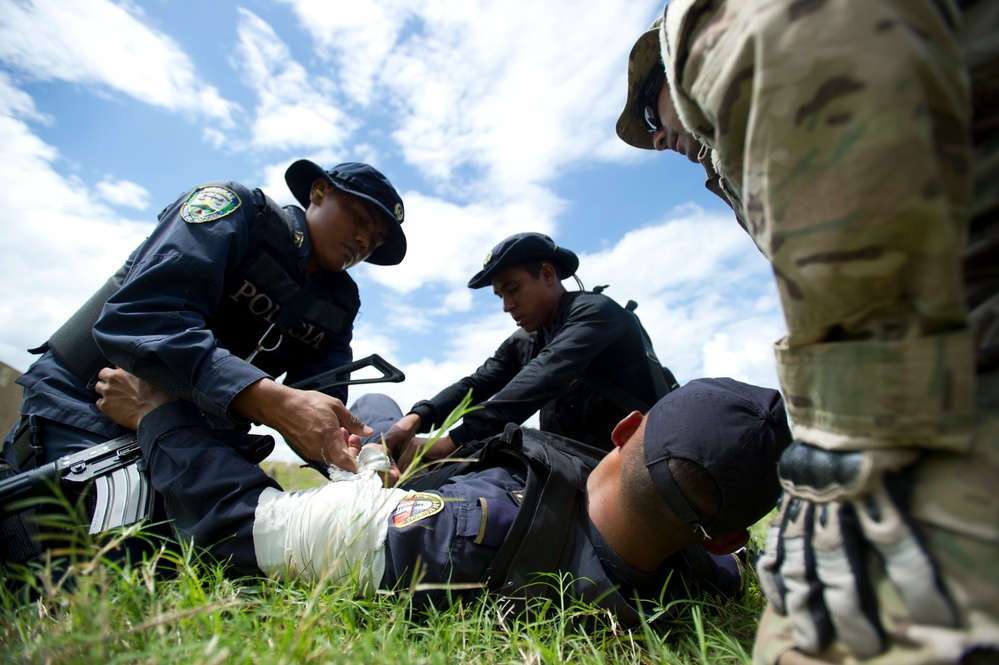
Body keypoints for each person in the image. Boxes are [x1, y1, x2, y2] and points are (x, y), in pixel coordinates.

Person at [617, 2, 998, 664]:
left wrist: (861, 461)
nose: (656, 140)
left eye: (652, 115)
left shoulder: (707, 30)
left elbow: (789, 33)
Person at [90, 365, 791, 621]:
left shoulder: (458, 531)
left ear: (626, 428)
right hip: (413, 488)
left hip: (399, 506)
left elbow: (241, 529)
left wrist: (157, 415)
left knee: (370, 416)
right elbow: (734, 567)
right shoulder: (705, 566)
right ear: (727, 534)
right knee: (379, 405)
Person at [1, 159, 408, 476]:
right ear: (318, 191)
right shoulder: (242, 213)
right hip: (88, 399)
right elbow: (141, 318)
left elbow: (323, 399)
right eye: (361, 218)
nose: (364, 241)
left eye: (375, 241)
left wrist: (359, 453)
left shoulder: (339, 300)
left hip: (185, 432)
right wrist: (271, 401)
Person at [381, 231, 672, 469]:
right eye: (500, 296)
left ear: (547, 274)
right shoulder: (524, 341)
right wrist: (415, 419)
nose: (507, 306)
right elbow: (475, 385)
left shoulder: (596, 312)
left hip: (645, 461)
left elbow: (544, 373)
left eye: (513, 289)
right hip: (580, 465)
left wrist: (450, 442)